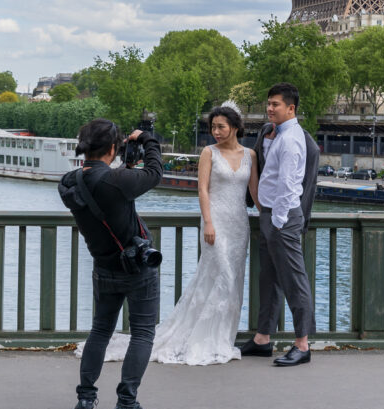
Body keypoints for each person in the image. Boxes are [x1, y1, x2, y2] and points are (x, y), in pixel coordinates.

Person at [76, 103, 260, 365]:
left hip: (239, 224)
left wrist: (271, 212)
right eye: (213, 127)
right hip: (215, 222)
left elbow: (253, 193)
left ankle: (221, 338)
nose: (216, 132)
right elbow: (203, 190)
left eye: (221, 127)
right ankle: (202, 337)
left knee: (233, 281)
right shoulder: (209, 152)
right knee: (219, 276)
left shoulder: (250, 155)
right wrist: (208, 222)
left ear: (235, 127)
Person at [58, 119, 163, 409]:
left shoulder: (69, 182)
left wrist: (125, 160)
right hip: (137, 268)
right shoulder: (118, 181)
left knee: (100, 330)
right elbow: (155, 173)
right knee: (143, 332)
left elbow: (103, 181)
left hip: (103, 267)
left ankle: (85, 401)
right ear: (113, 148)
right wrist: (148, 139)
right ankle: (127, 406)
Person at [240, 82, 320, 367]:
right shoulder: (276, 135)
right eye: (269, 103)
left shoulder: (291, 139)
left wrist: (276, 220)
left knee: (294, 280)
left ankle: (302, 345)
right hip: (272, 214)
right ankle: (263, 338)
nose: (269, 108)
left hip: (281, 217)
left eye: (275, 104)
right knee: (269, 278)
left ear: (291, 108)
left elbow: (288, 185)